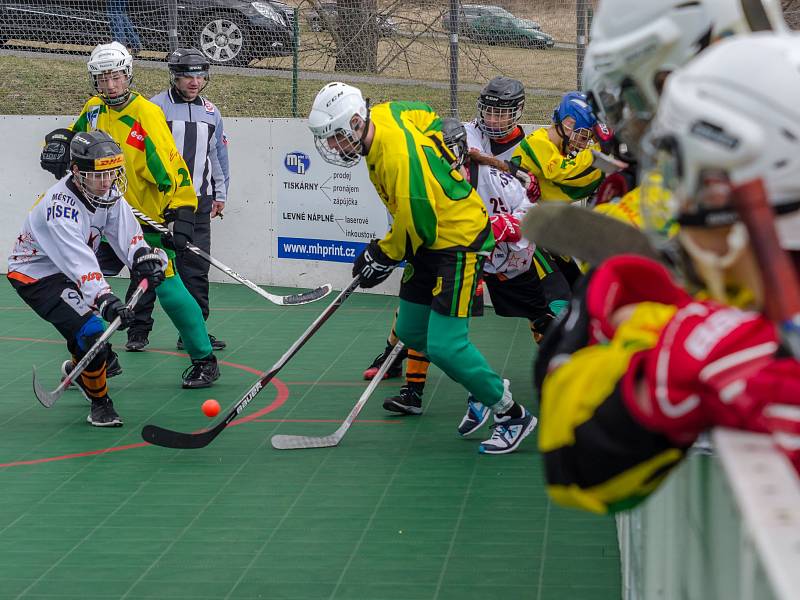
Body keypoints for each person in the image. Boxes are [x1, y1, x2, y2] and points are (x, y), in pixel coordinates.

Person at [534, 33, 800, 515]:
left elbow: (573, 459)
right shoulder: (741, 322)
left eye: (689, 180)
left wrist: (653, 323)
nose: (679, 204)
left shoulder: (727, 345)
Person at [308, 82, 537, 454]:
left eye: (334, 138)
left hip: (458, 241)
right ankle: (483, 384)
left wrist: (381, 254)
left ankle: (511, 414)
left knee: (446, 347)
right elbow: (419, 111)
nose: (332, 147)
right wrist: (442, 137)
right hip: (430, 240)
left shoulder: (396, 157)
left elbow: (421, 224)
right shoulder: (382, 115)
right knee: (411, 332)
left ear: (353, 122)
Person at [39, 42, 221, 388]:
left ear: (128, 74)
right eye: (103, 78)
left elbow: (174, 167)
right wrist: (58, 144)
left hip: (139, 221)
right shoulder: (93, 109)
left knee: (167, 287)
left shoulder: (146, 114)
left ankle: (204, 360)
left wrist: (182, 212)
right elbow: (75, 144)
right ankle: (100, 356)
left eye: (116, 76)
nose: (110, 85)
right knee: (78, 285)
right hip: (99, 219)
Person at [383, 118, 551, 418]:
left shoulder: (492, 177)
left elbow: (530, 212)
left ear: (461, 151)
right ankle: (413, 391)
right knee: (430, 322)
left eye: (447, 152)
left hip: (506, 263)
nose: (441, 159)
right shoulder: (426, 180)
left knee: (539, 315)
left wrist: (504, 225)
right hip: (459, 261)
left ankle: (553, 373)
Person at [8, 131, 165, 426]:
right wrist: (105, 299)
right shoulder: (61, 206)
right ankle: (101, 403)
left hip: (67, 270)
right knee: (92, 331)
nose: (107, 183)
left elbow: (127, 235)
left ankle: (77, 369)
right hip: (36, 274)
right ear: (77, 172)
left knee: (86, 334)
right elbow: (79, 262)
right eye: (99, 176)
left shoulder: (108, 193)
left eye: (111, 174)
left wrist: (143, 258)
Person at [127, 47, 229, 352]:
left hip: (198, 202)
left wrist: (220, 193)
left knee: (196, 270)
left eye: (200, 76)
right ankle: (138, 329)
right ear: (175, 77)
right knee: (147, 266)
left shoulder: (212, 112)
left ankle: (194, 331)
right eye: (187, 76)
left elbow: (218, 155)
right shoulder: (153, 108)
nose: (194, 82)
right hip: (158, 206)